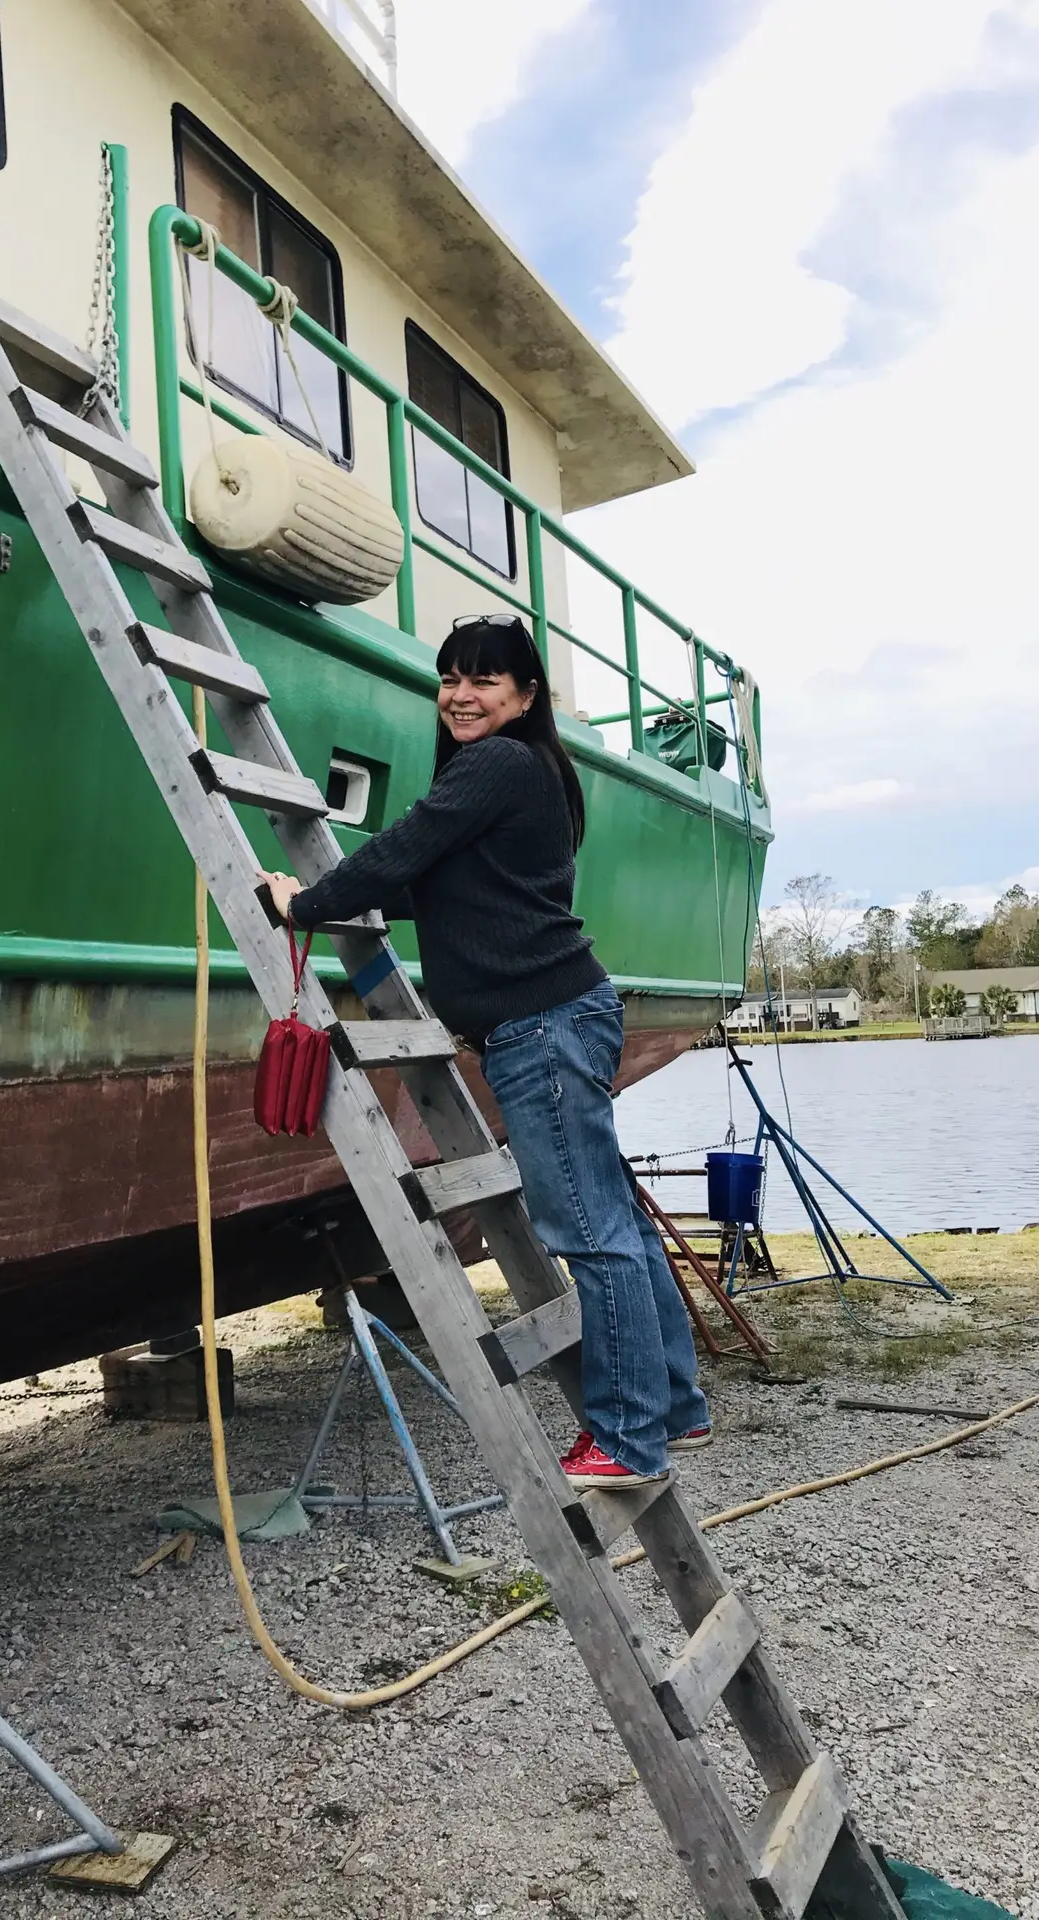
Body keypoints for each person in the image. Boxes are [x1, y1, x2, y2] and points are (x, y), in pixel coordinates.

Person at [258, 614, 710, 1490]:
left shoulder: (498, 763)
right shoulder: (530, 771)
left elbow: (403, 850)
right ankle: (675, 1405)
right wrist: (360, 895)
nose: (462, 696)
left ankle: (627, 1439)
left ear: (525, 694)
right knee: (613, 1217)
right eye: (450, 679)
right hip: (562, 1018)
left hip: (542, 1028)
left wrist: (303, 903)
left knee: (590, 1233)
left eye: (485, 680)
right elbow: (453, 882)